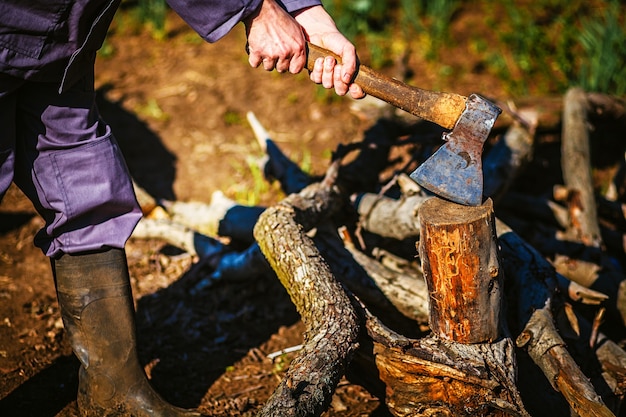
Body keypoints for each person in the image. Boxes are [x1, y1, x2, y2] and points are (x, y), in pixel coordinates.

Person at [0, 0, 364, 415]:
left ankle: (114, 394)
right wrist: (257, 9)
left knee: (87, 188)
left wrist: (300, 10)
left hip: (62, 41)